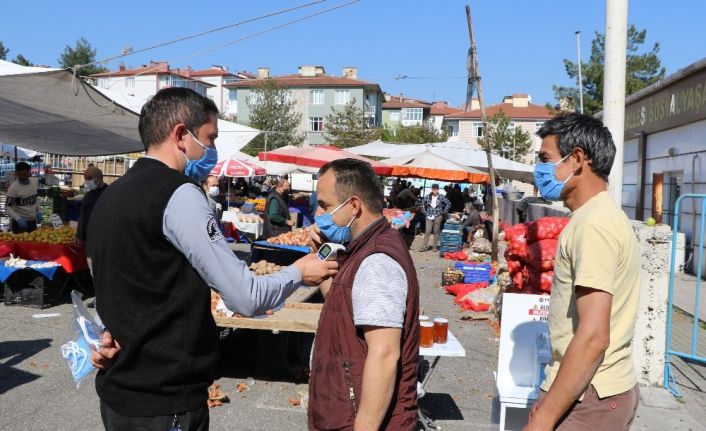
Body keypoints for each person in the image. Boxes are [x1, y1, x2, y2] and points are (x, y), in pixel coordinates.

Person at [86, 87, 338, 431]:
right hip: (165, 399)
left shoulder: (110, 196)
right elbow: (246, 297)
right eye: (210, 138)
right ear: (180, 135)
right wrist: (297, 272)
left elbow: (115, 287)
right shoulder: (179, 194)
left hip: (120, 394)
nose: (213, 151)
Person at [524, 113, 641, 431]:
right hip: (589, 390)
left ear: (576, 159)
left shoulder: (594, 226)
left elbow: (593, 337)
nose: (540, 168)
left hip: (590, 397)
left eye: (545, 158)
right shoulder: (596, 217)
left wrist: (544, 418)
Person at [307, 159, 419, 430]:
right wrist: (318, 254)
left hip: (355, 418)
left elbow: (384, 353)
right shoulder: (360, 249)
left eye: (325, 205)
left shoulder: (377, 260)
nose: (317, 214)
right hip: (341, 411)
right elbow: (338, 299)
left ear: (354, 206)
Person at [76, 166, 108, 244]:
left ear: (98, 178)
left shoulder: (109, 194)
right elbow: (83, 216)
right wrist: (79, 235)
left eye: (89, 178)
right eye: (85, 178)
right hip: (88, 239)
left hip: (103, 238)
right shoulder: (88, 195)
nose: (86, 181)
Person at [6, 162, 39, 234]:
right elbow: (8, 208)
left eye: (24, 174)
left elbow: (35, 198)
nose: (22, 177)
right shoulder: (13, 188)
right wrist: (18, 219)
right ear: (16, 173)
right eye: (19, 175)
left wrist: (39, 211)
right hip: (19, 223)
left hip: (32, 221)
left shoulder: (34, 182)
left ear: (29, 172)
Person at [419, 184, 450, 252]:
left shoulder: (441, 196)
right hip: (429, 216)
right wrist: (425, 213)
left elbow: (449, 204)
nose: (435, 190)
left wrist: (443, 212)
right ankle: (424, 246)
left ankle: (434, 247)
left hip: (438, 216)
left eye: (436, 189)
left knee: (436, 231)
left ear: (438, 189)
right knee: (427, 231)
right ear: (432, 189)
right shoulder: (427, 196)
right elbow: (421, 205)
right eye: (433, 189)